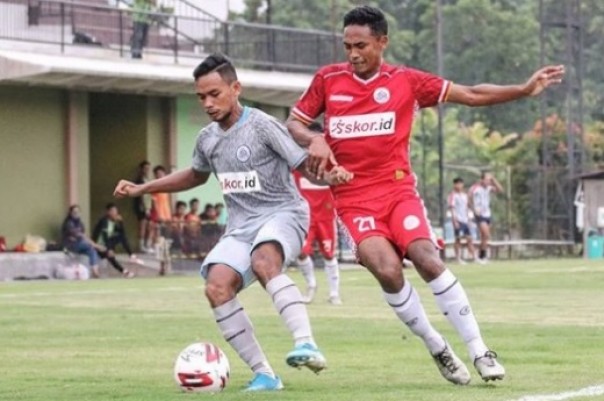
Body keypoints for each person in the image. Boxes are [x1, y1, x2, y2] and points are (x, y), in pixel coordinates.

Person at [286, 5, 564, 384]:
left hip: (398, 190)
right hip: (352, 199)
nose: (353, 54)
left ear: (382, 42)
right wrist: (314, 137)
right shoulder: (328, 80)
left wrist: (523, 89)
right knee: (386, 270)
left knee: (427, 259)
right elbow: (295, 122)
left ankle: (480, 350)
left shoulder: (407, 81)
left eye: (361, 45)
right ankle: (438, 347)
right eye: (347, 45)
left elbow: (470, 93)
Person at [114, 53, 353, 391]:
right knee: (216, 285)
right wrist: (144, 188)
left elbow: (303, 164)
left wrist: (333, 176)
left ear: (235, 88)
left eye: (215, 94)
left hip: (283, 213)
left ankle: (306, 342)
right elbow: (195, 175)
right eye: (201, 97)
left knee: (264, 260)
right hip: (241, 227)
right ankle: (265, 375)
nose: (208, 103)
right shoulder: (207, 139)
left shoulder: (263, 125)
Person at [293, 122, 341, 305]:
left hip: (326, 217)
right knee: (301, 252)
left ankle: (334, 293)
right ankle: (311, 285)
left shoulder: (332, 160)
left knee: (329, 254)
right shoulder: (298, 161)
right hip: (305, 217)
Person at [92, 203, 139, 278]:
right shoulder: (104, 221)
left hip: (107, 243)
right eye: (113, 211)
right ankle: (124, 271)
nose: (115, 213)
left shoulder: (113, 222)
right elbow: (104, 237)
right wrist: (109, 249)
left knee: (121, 237)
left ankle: (131, 255)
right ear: (108, 212)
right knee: (110, 256)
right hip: (99, 245)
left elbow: (122, 233)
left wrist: (121, 222)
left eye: (116, 211)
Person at [469, 171, 503, 264]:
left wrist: (494, 179)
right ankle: (480, 256)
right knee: (486, 234)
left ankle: (482, 256)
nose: (488, 181)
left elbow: (500, 190)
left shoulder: (488, 188)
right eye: (487, 179)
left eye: (489, 180)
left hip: (487, 214)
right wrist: (473, 209)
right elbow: (469, 199)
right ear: (482, 179)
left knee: (485, 237)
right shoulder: (475, 188)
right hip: (479, 214)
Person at [62, 205, 103, 278]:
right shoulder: (68, 223)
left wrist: (93, 245)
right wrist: (95, 245)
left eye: (78, 212)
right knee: (90, 246)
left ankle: (95, 271)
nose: (76, 213)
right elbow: (80, 236)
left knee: (92, 250)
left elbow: (84, 235)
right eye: (74, 212)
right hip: (70, 246)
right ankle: (94, 270)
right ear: (70, 213)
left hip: (80, 244)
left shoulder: (79, 223)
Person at [448, 178, 476, 264]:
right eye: (457, 184)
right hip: (458, 220)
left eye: (461, 184)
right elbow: (452, 208)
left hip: (465, 220)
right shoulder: (452, 195)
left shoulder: (465, 195)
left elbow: (467, 208)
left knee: (469, 239)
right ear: (454, 185)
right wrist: (454, 221)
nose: (459, 186)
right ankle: (458, 258)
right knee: (458, 239)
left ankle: (474, 257)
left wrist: (469, 219)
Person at [133, 160, 152, 252]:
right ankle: (141, 247)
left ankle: (147, 245)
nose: (147, 170)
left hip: (148, 206)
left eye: (148, 168)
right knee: (142, 226)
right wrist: (145, 208)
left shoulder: (148, 179)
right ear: (141, 169)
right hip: (142, 207)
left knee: (149, 226)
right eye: (145, 168)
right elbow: (141, 195)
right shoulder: (139, 180)